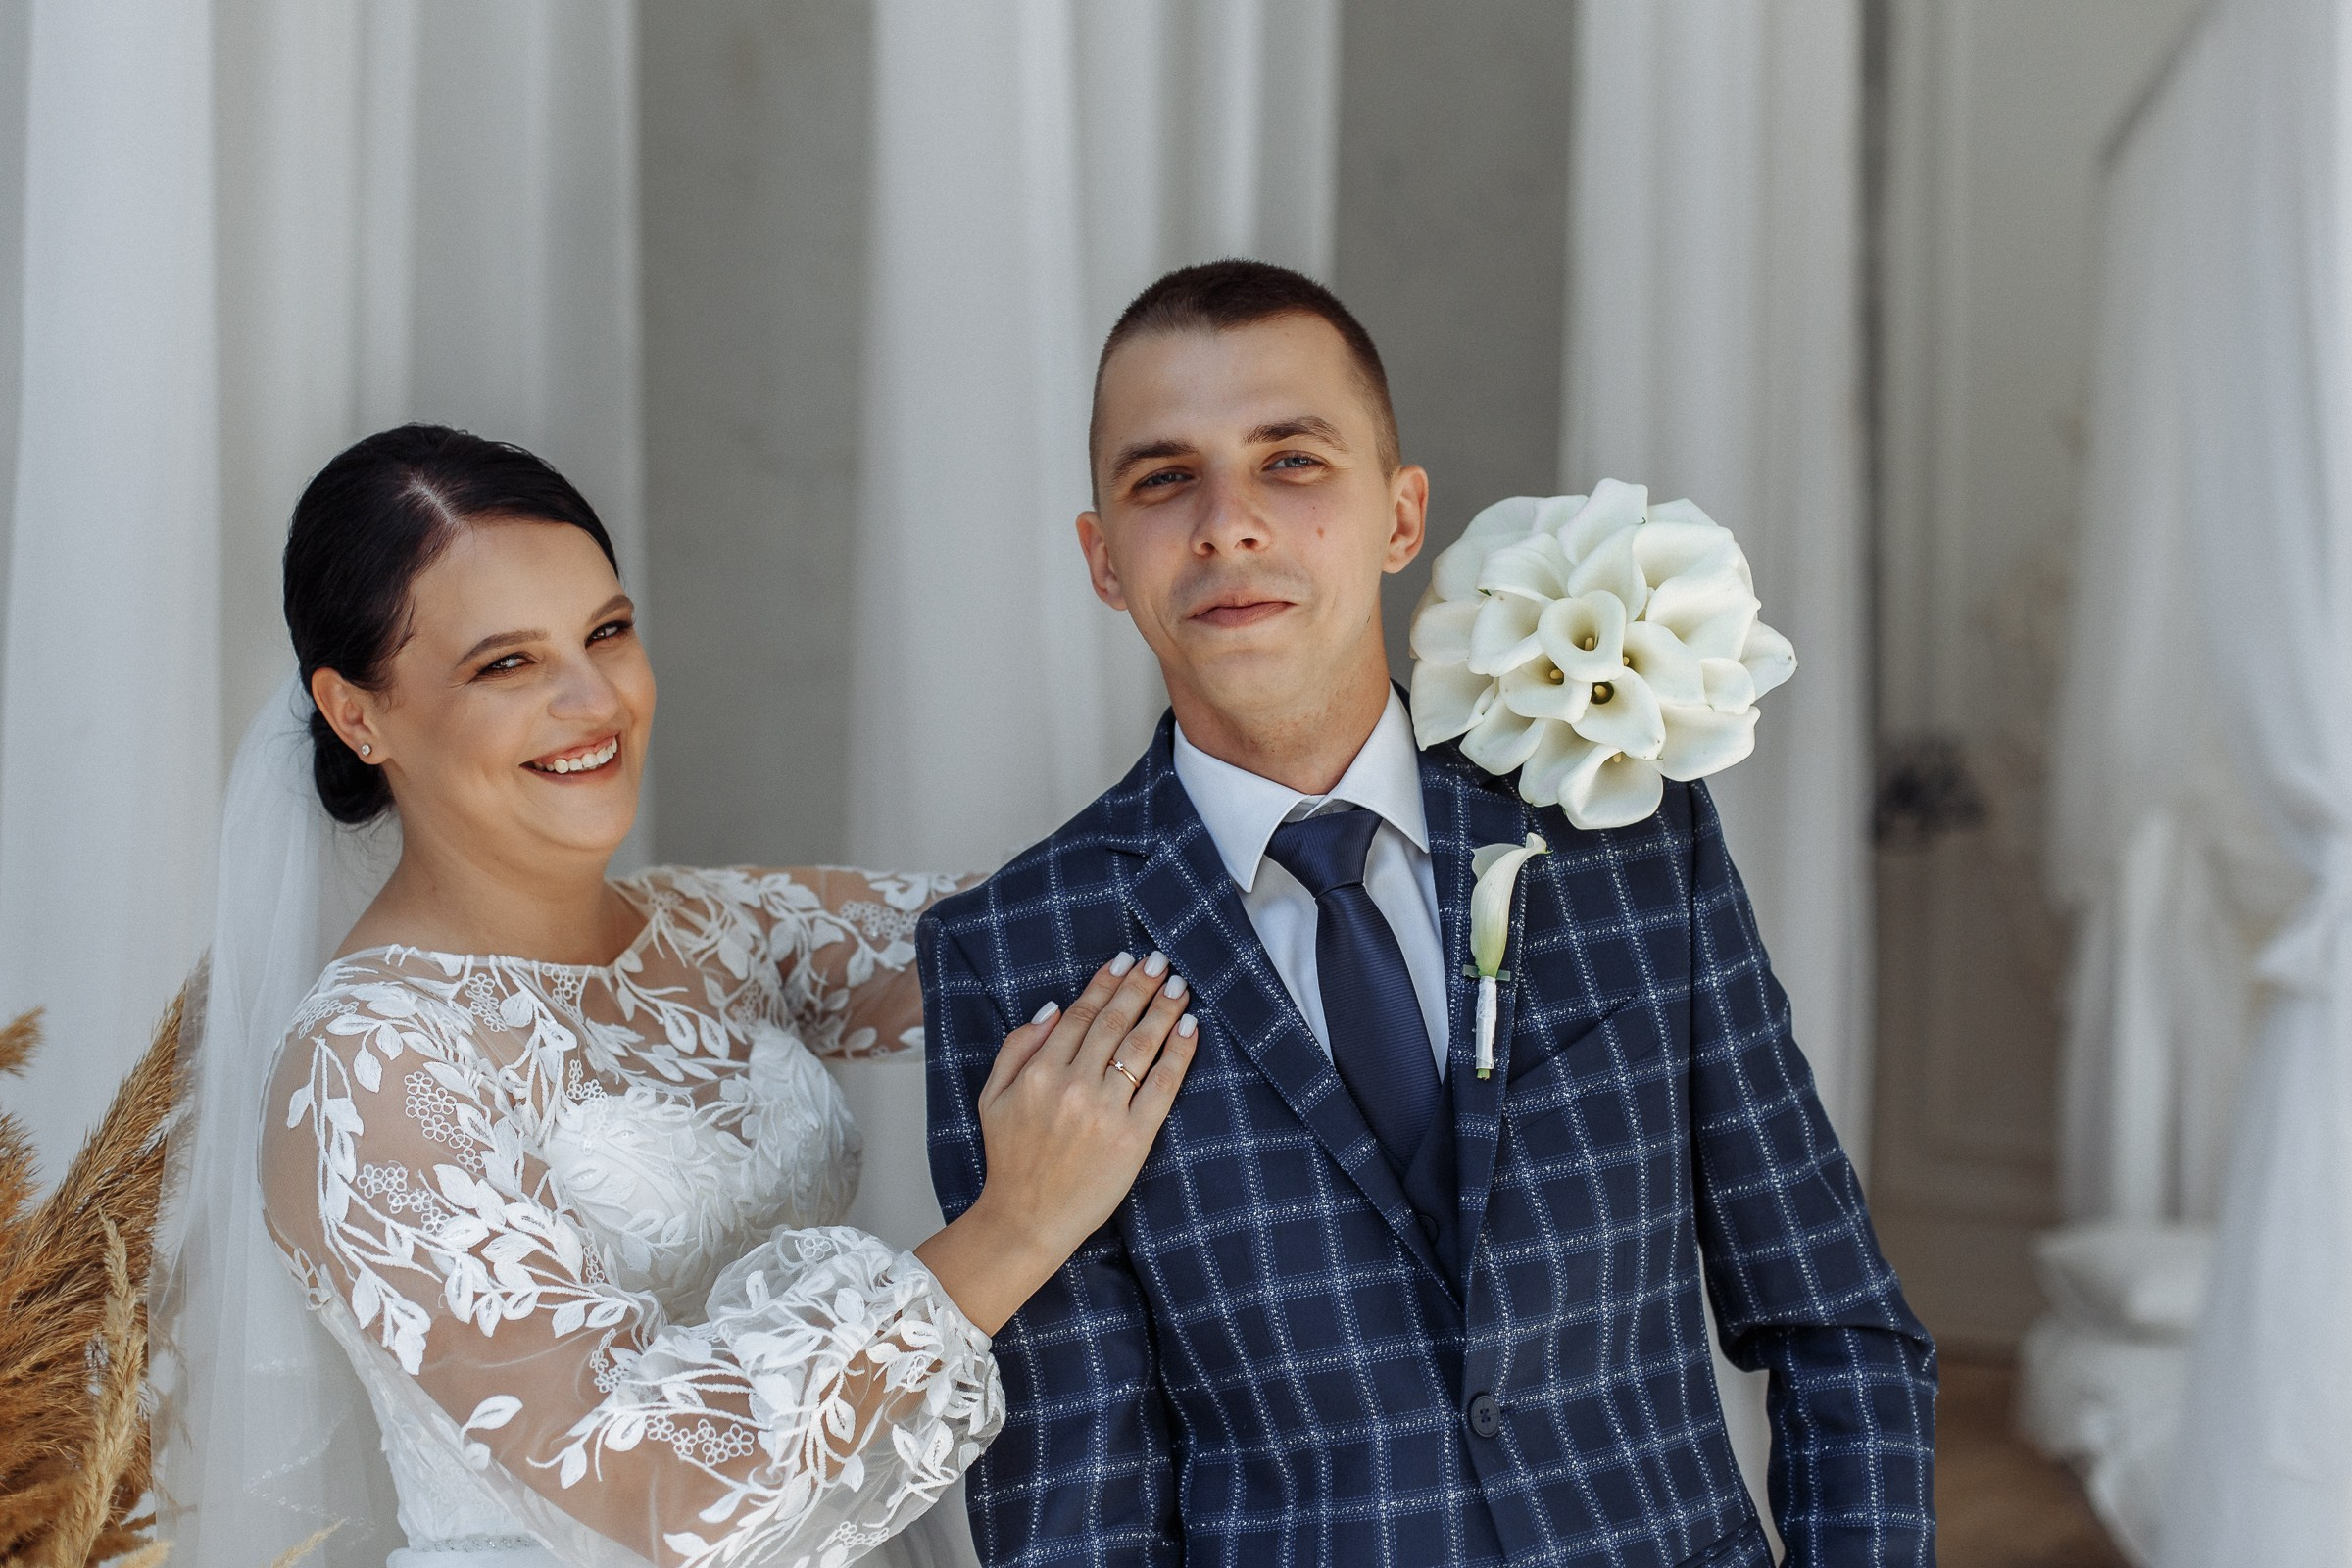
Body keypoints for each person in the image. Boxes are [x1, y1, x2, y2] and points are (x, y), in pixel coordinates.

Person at [921, 261, 1936, 1566]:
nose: (1228, 525)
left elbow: (1832, 1318)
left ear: (1401, 517)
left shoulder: (1625, 832)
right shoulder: (1018, 954)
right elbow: (1076, 1503)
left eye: (1291, 461)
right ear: (1103, 558)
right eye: (1164, 479)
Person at [164, 424, 1200, 1568]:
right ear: (359, 713)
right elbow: (652, 1480)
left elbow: (1056, 927)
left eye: (607, 632)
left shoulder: (717, 931)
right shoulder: (372, 1066)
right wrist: (1016, 1227)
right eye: (506, 664)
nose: (591, 698)